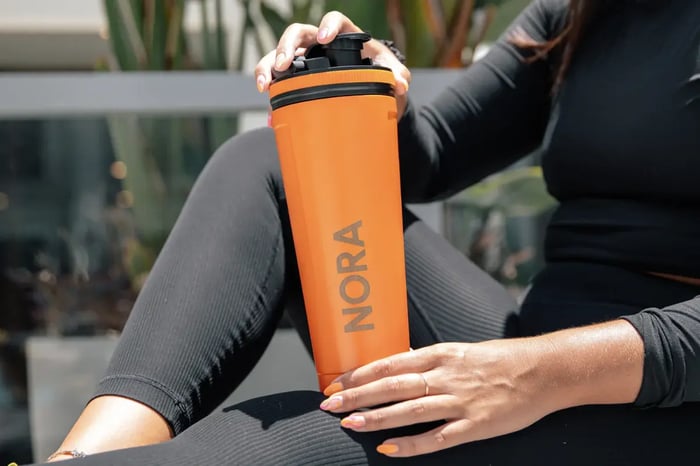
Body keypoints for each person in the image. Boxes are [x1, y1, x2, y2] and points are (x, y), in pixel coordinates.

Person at [27, 0, 700, 464]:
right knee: (273, 165)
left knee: (296, 443)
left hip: (662, 398)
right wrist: (366, 88)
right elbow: (434, 156)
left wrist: (535, 375)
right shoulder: (586, 11)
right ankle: (86, 452)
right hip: (533, 344)